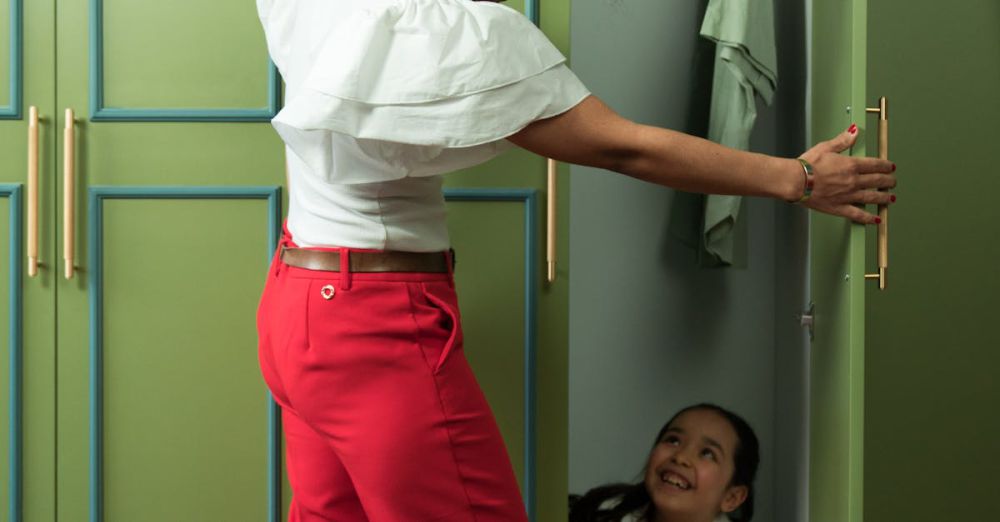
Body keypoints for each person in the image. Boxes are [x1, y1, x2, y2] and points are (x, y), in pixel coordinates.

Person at [254, 1, 895, 521]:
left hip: (295, 305)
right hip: (372, 327)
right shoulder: (442, 34)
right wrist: (799, 178)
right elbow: (623, 149)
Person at [568, 404, 759, 522]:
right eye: (673, 440)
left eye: (707, 454)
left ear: (732, 498)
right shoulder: (599, 510)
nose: (681, 457)